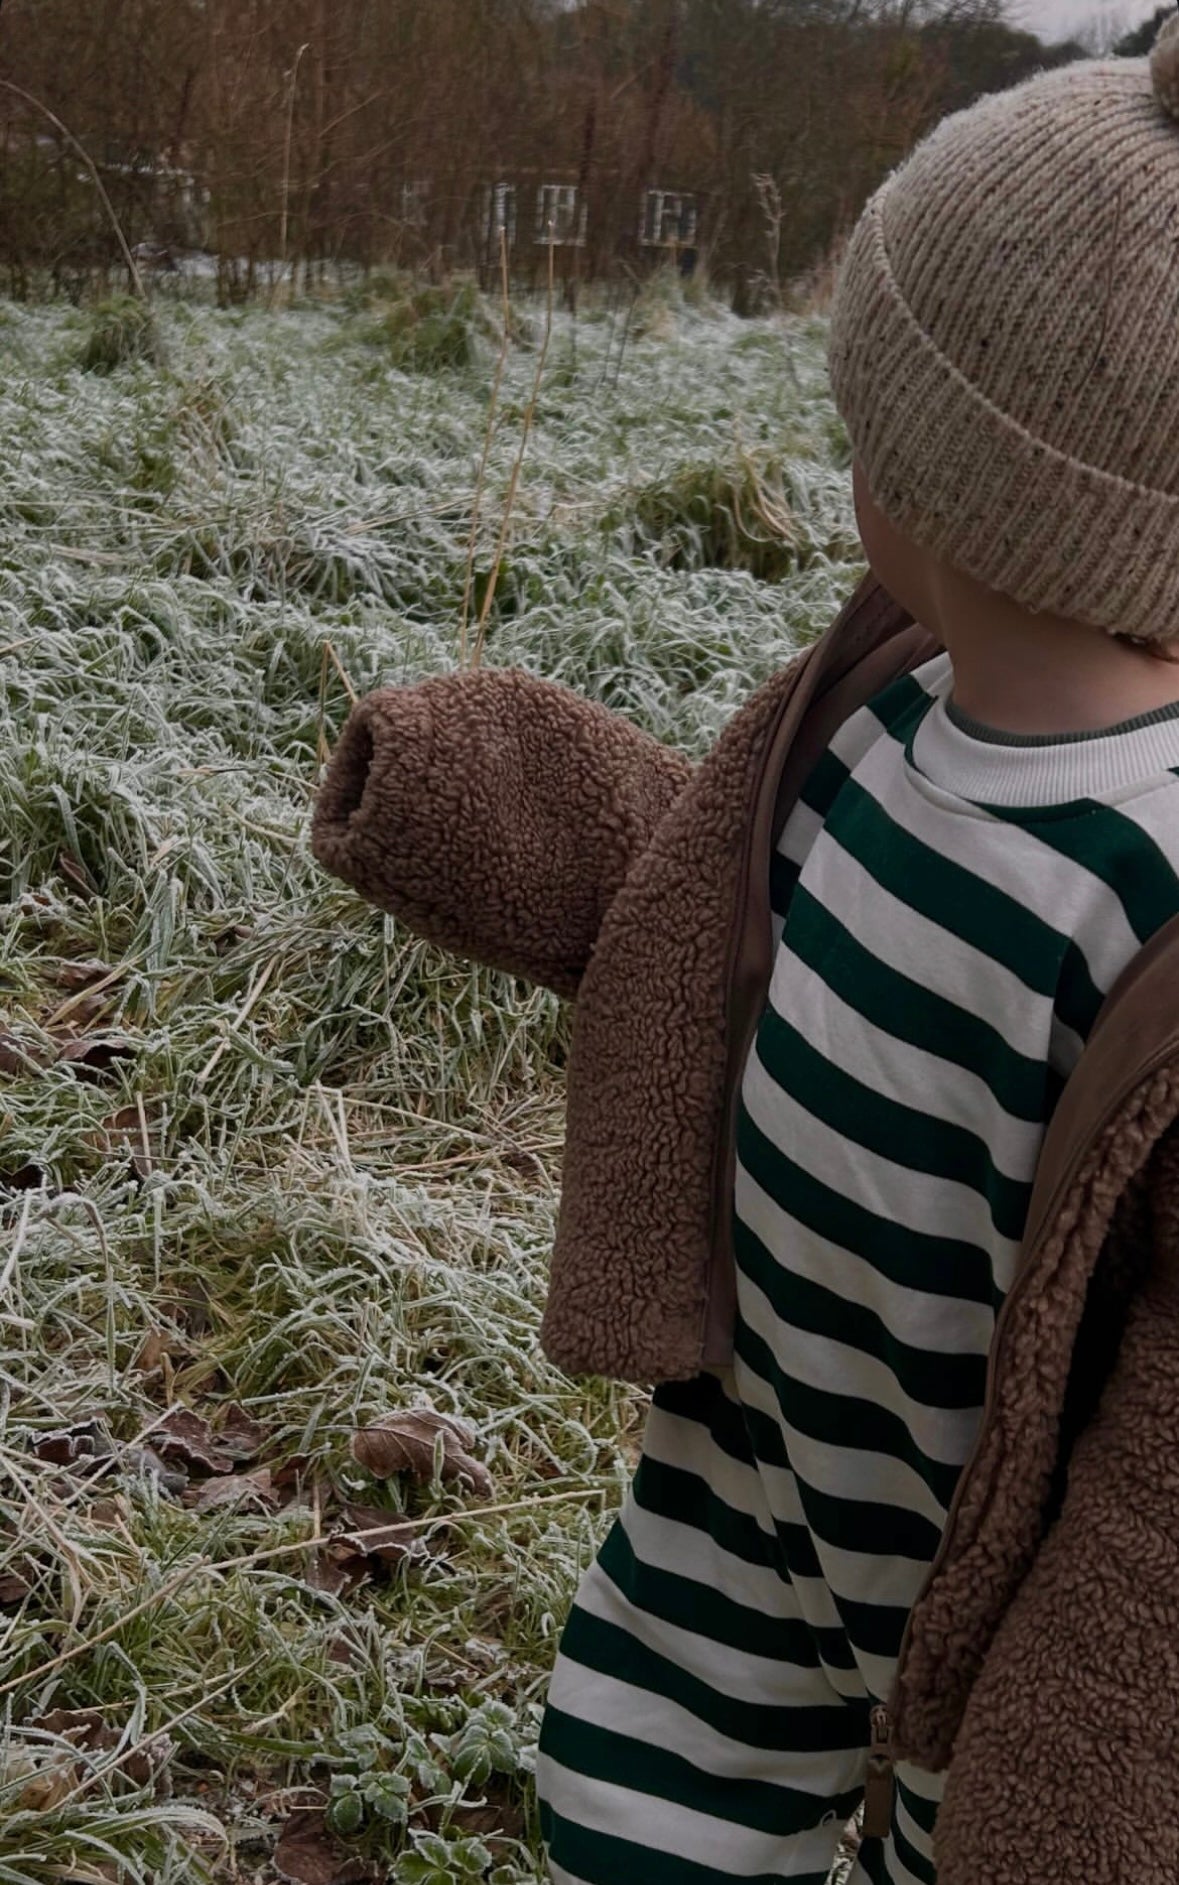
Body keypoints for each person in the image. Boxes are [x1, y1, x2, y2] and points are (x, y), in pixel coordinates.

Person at [312, 23, 1179, 1884]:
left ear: (956, 484)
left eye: (870, 416)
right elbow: (707, 900)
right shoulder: (880, 710)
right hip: (774, 1453)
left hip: (1012, 1599)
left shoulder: (1151, 903)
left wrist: (1091, 1753)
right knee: (642, 1794)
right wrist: (476, 804)